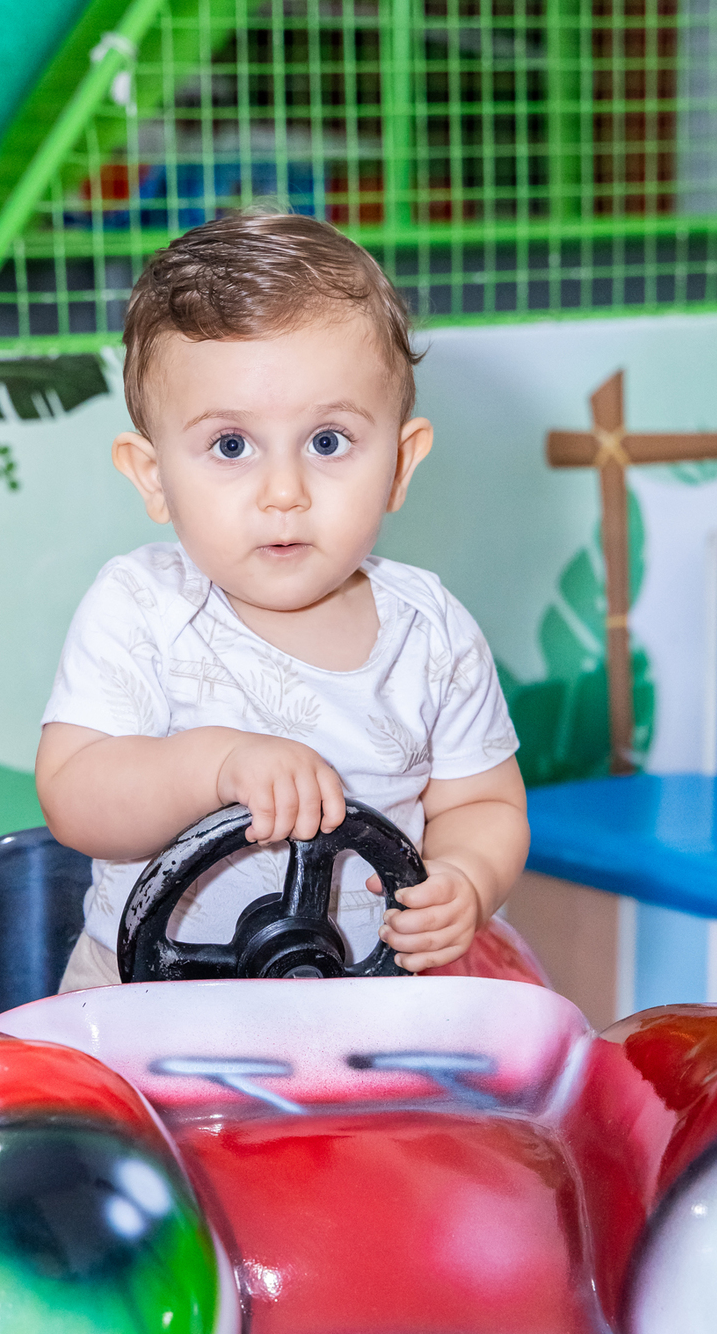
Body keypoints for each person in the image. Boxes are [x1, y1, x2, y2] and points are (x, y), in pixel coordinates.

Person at [36, 209, 530, 990]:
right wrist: (216, 765)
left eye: (328, 442)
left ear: (399, 465)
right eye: (230, 446)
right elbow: (76, 795)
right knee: (75, 1109)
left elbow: (485, 805)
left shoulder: (429, 635)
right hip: (144, 996)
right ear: (153, 476)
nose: (284, 493)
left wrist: (466, 878)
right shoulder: (143, 608)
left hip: (362, 1000)